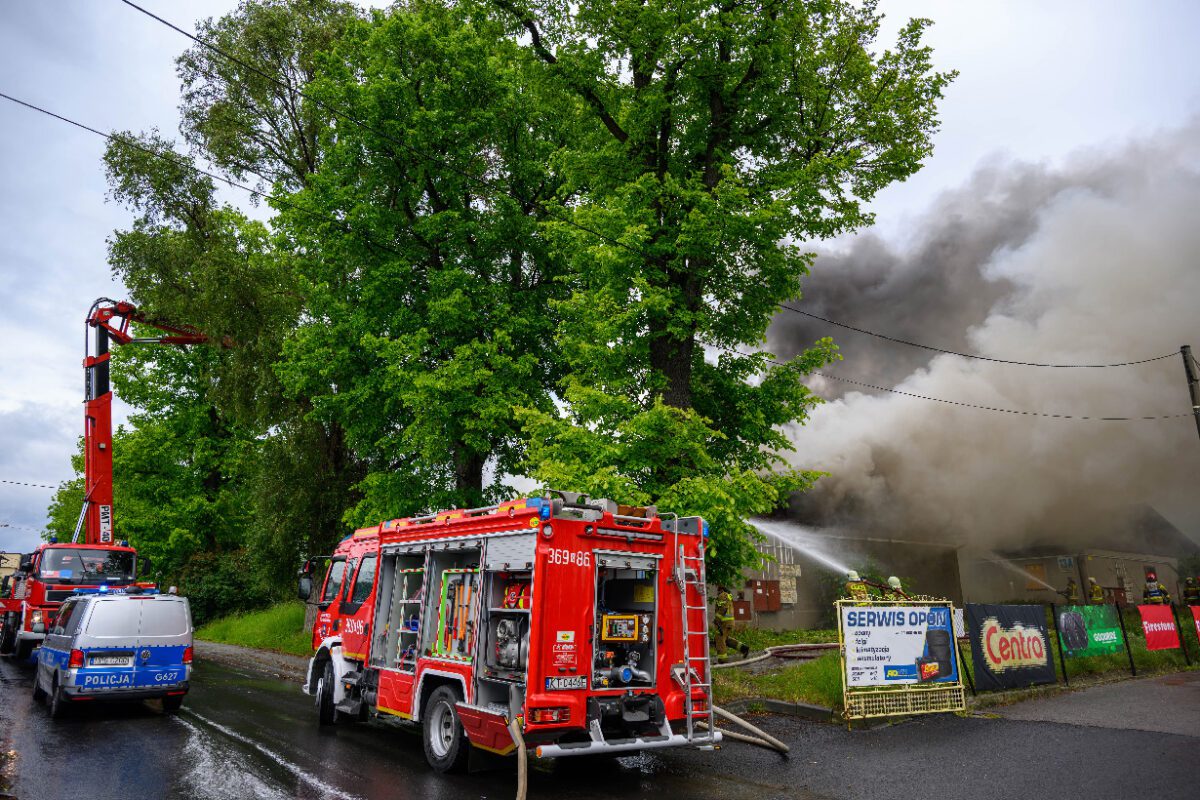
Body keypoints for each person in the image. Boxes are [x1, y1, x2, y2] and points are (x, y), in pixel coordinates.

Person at [712, 585, 750, 663]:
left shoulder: (723, 595)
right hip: (728, 622)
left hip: (723, 623)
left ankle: (723, 661)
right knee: (725, 639)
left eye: (718, 591)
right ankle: (743, 648)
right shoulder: (728, 596)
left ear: (721, 590)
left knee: (720, 640)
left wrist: (717, 619)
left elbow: (723, 608)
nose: (717, 593)